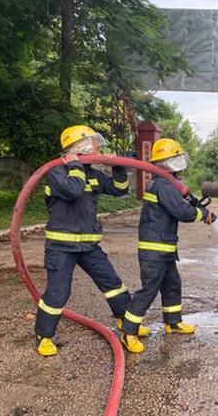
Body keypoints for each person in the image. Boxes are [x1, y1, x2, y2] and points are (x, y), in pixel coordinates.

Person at [35, 125, 150, 356]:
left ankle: (126, 323)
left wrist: (118, 168)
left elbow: (119, 190)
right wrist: (75, 165)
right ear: (82, 145)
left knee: (113, 284)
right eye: (95, 144)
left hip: (89, 247)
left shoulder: (92, 174)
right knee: (57, 294)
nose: (99, 148)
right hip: (61, 247)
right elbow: (74, 190)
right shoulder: (57, 172)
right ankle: (44, 336)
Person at [120, 138, 213, 353]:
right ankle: (128, 332)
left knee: (172, 284)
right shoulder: (163, 185)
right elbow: (182, 212)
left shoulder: (164, 183)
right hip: (155, 250)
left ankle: (173, 322)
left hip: (164, 249)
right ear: (171, 162)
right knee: (149, 290)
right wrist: (204, 214)